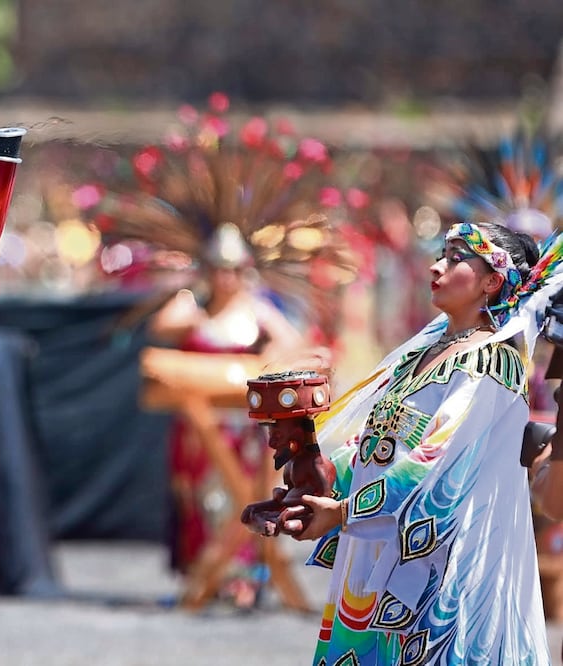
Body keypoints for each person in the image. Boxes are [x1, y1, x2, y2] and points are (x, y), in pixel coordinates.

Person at [267, 221, 558, 664]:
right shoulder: (418, 356)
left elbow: (435, 461)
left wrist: (345, 513)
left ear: (492, 282)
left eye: (457, 258)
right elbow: (376, 445)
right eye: (442, 253)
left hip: (439, 560)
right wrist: (312, 481)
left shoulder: (492, 362)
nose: (437, 266)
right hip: (378, 543)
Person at [149, 223, 305, 606]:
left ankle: (243, 577)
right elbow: (161, 326)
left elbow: (295, 343)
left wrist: (265, 360)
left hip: (243, 425)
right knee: (203, 497)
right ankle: (206, 571)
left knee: (246, 494)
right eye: (219, 268)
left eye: (233, 269)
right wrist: (196, 312)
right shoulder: (193, 305)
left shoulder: (256, 310)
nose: (226, 277)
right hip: (200, 424)